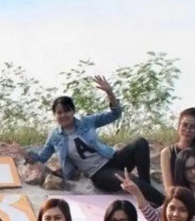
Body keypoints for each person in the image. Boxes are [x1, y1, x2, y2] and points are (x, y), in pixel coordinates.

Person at [24, 76, 164, 206]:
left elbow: (115, 114)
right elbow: (41, 157)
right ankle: (165, 203)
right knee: (129, 179)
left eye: (67, 111)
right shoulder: (55, 136)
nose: (63, 115)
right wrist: (25, 154)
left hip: (113, 159)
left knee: (140, 142)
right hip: (99, 173)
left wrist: (109, 92)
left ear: (73, 111)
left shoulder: (87, 122)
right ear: (54, 115)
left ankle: (147, 191)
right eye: (59, 113)